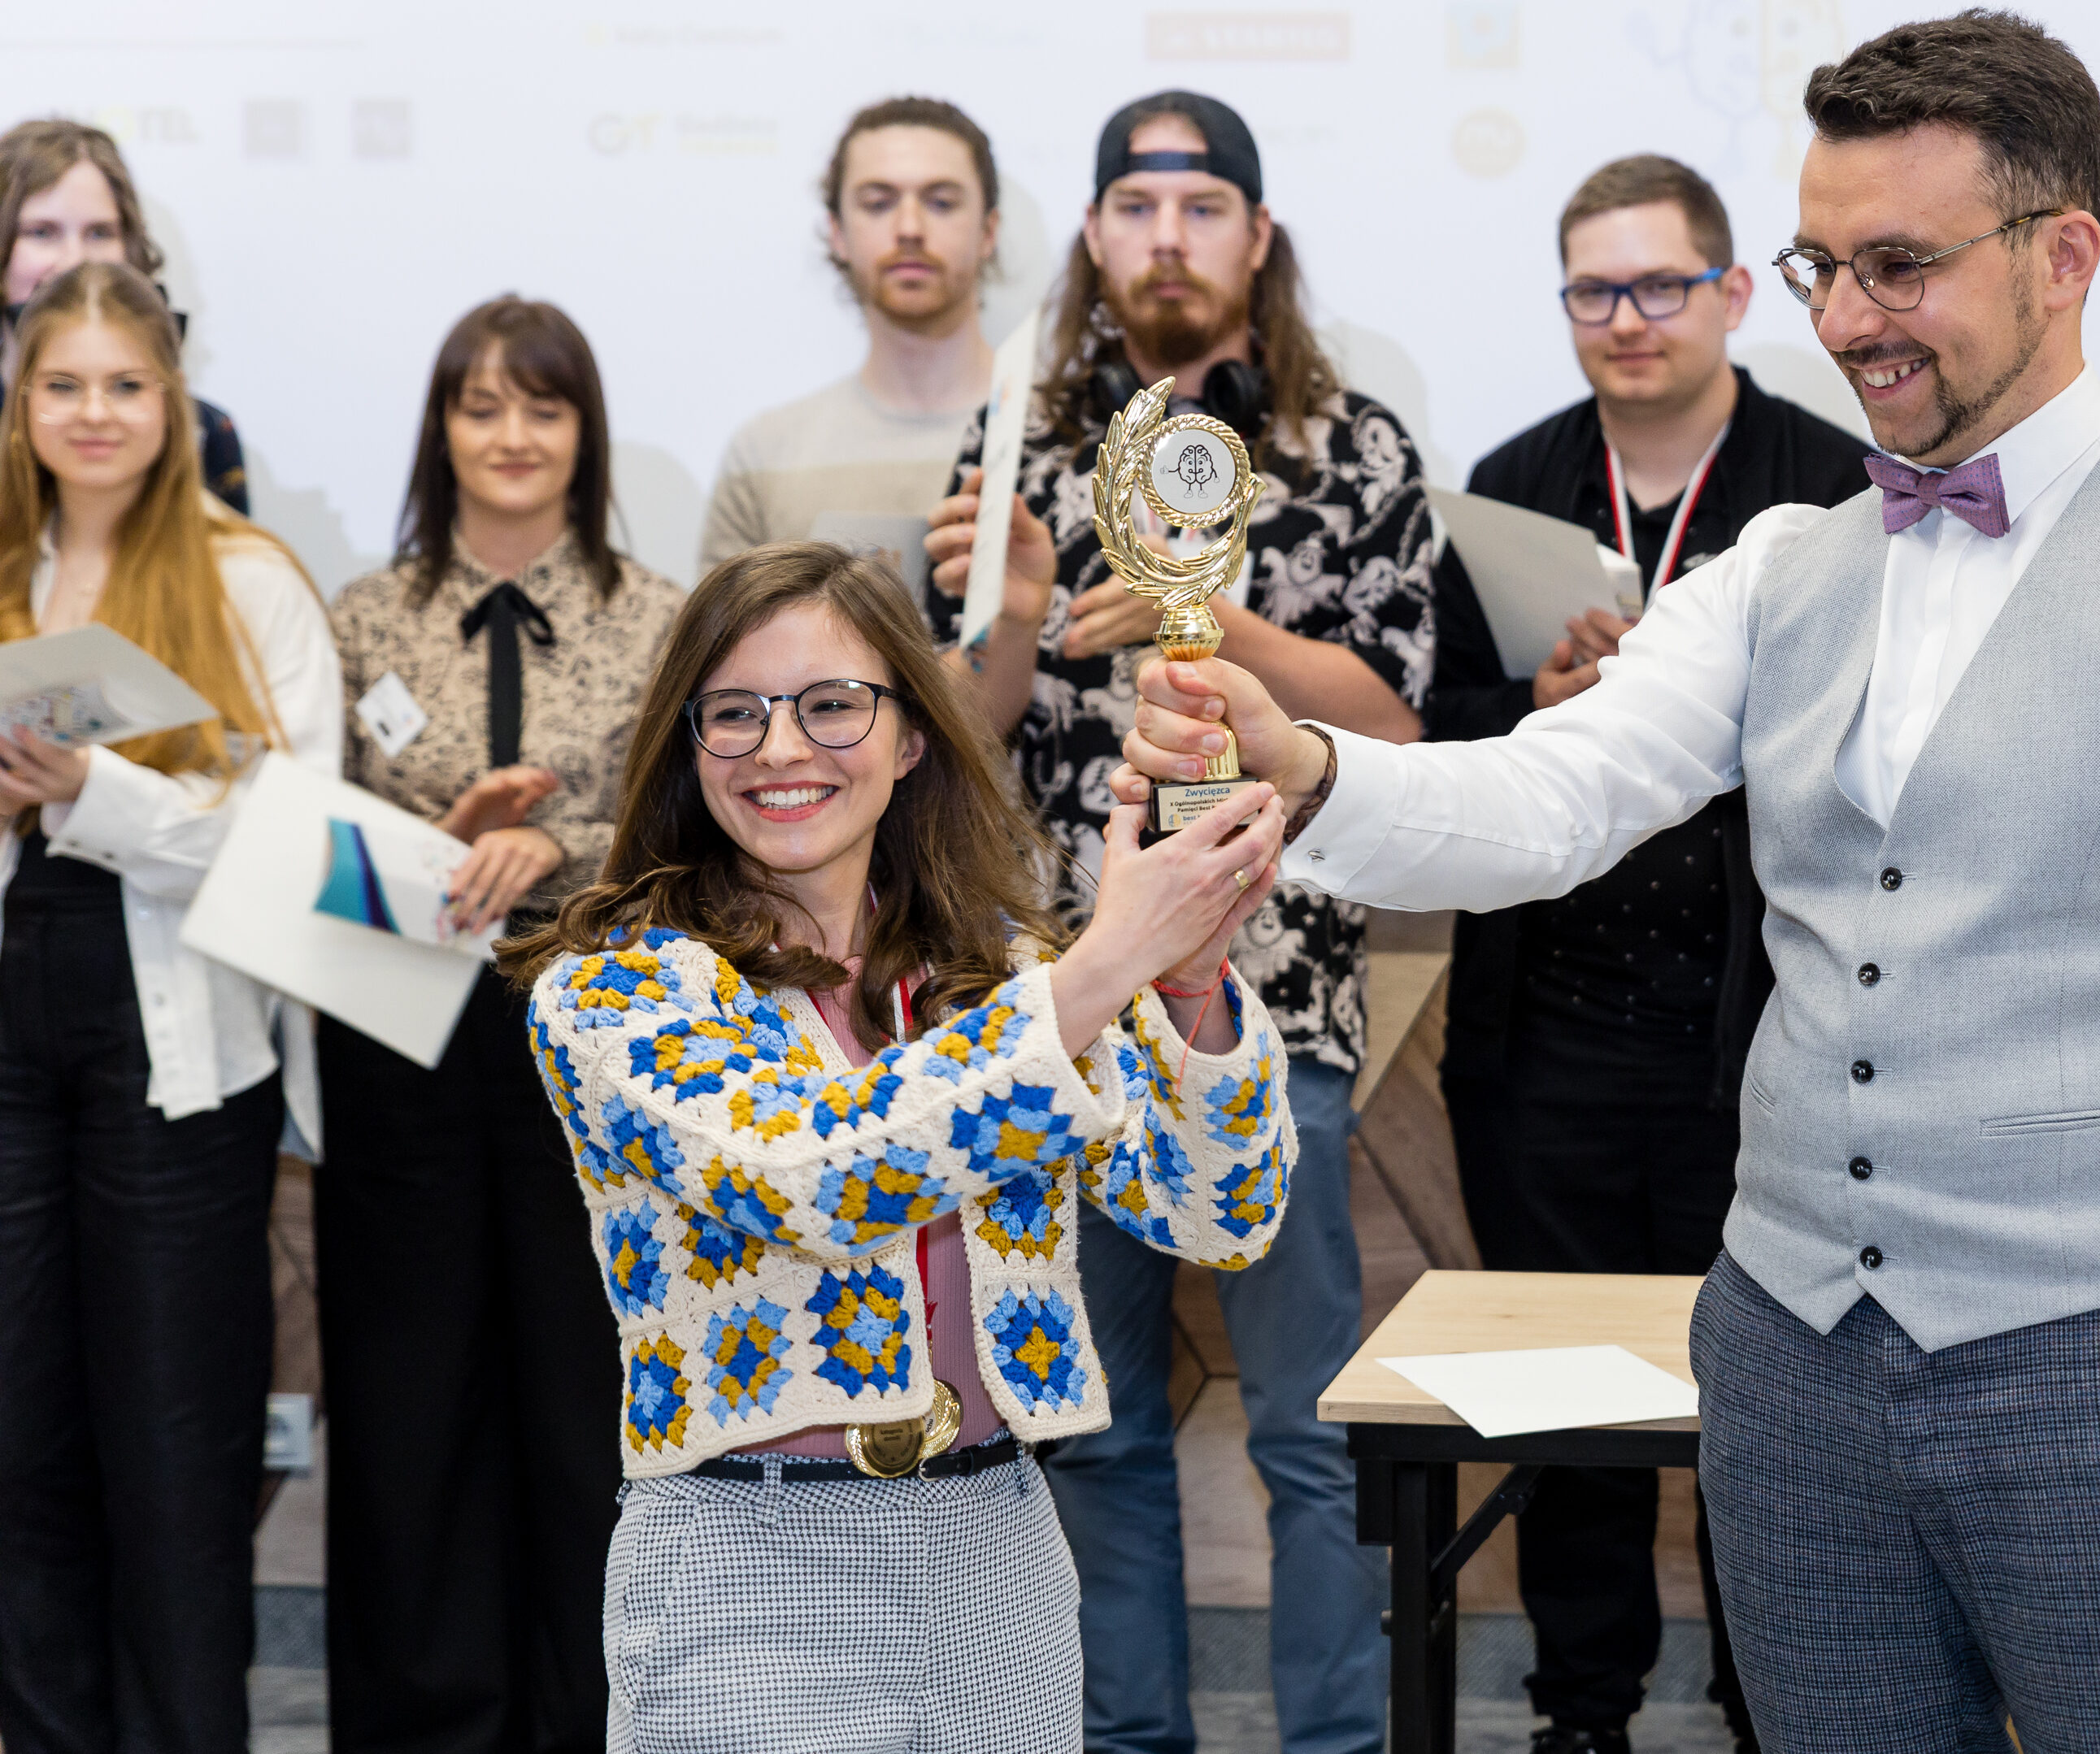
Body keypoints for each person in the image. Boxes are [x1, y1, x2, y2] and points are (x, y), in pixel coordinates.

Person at [1118, 15, 2100, 1749]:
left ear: (2066, 254)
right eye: (1823, 265)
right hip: (1791, 1360)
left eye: (1901, 265)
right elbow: (1554, 798)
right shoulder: (1781, 563)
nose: (1850, 317)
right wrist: (1311, 767)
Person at [503, 542, 1293, 1747]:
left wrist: (1187, 979)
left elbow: (1218, 1216)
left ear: (912, 736)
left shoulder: (1003, 974)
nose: (781, 747)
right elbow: (808, 1177)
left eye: (832, 705)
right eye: (735, 713)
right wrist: (1104, 965)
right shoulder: (613, 992)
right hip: (742, 1564)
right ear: (686, 746)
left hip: (1001, 1553)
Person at [923, 88, 1433, 1754]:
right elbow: (952, 741)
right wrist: (1013, 616)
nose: (1167, 237)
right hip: (1056, 1007)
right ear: (1092, 235)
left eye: (1202, 206)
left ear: (1257, 236)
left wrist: (1213, 617)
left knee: (1313, 1431)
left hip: (1273, 1008)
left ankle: (1337, 1742)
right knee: (1094, 1430)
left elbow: (1403, 730)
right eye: (1136, 207)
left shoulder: (1356, 447)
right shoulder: (1011, 445)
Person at [1424, 150, 1867, 1754]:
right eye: (1594, 291)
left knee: (1773, 1409)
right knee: (1566, 1398)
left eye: (1661, 285)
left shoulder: (1832, 481)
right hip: (1547, 1033)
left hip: (1764, 1036)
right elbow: (1439, 726)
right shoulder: (1511, 483)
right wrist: (1541, 705)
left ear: (1735, 293)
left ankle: (1775, 1707)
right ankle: (1583, 1711)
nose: (1627, 318)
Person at [318, 294, 685, 1752]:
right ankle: (423, 1720)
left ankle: (599, 1716)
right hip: (400, 1042)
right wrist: (442, 839)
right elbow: (313, 840)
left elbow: (694, 827)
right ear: (441, 431)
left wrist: (560, 845)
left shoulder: (658, 614)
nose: (513, 435)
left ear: (586, 431)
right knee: (409, 1398)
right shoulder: (365, 617)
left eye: (543, 405)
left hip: (593, 1041)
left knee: (585, 1391)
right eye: (481, 407)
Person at [0, 263, 338, 1752]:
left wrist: (97, 793)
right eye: (63, 384)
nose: (95, 413)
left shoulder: (248, 578)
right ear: (23, 400)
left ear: (174, 400)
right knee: (22, 1442)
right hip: (12, 1038)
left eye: (125, 384)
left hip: (181, 1053)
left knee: (175, 1449)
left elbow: (302, 845)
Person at [698, 97, 1002, 598]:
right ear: (837, 232)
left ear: (988, 231)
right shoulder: (763, 454)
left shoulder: (1076, 438)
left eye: (942, 202)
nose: (909, 229)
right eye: (878, 203)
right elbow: (719, 645)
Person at [0, 119, 250, 514]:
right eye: (42, 232)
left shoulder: (200, 429)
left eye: (100, 233)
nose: (74, 260)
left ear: (132, 250)